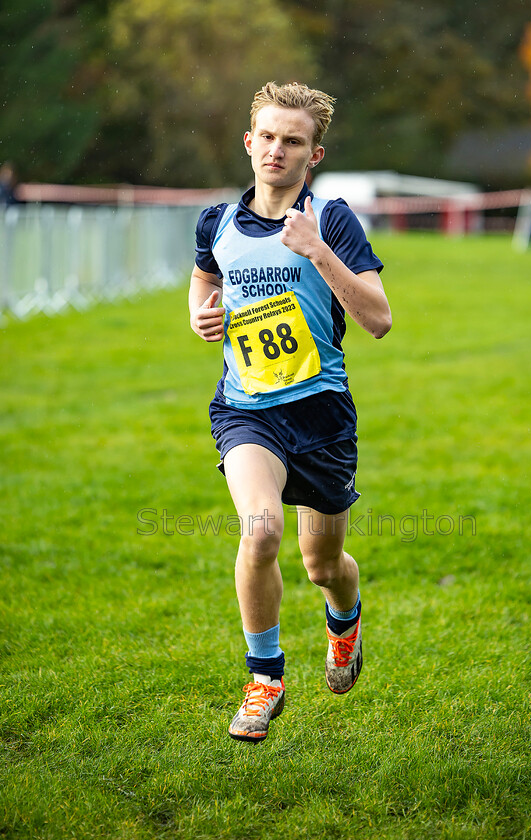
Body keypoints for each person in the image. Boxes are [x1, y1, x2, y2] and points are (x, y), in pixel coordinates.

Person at [189, 81, 392, 743]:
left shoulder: (330, 219)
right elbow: (204, 275)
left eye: (293, 141)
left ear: (315, 154)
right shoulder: (214, 222)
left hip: (321, 416)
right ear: (249, 143)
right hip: (247, 411)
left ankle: (344, 622)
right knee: (261, 529)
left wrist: (316, 250)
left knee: (321, 565)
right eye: (268, 137)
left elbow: (378, 319)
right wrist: (198, 312)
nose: (277, 150)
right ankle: (264, 680)